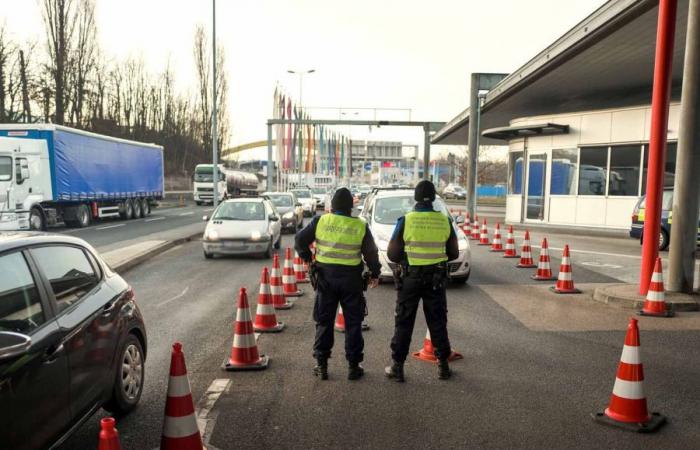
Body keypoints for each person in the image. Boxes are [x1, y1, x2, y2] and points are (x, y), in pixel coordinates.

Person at [295, 187, 381, 381]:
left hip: (326, 279)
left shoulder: (321, 221)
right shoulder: (360, 225)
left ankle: (322, 365)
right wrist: (375, 272)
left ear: (332, 206)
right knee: (353, 323)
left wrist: (308, 258)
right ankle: (353, 366)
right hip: (351, 280)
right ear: (351, 207)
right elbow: (371, 253)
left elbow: (300, 239)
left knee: (324, 322)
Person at [384, 180, 459, 382]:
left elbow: (392, 253)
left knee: (404, 322)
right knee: (437, 322)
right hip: (435, 279)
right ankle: (443, 366)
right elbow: (453, 253)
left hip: (410, 278)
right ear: (434, 198)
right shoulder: (444, 221)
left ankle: (397, 367)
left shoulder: (406, 220)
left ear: (416, 198)